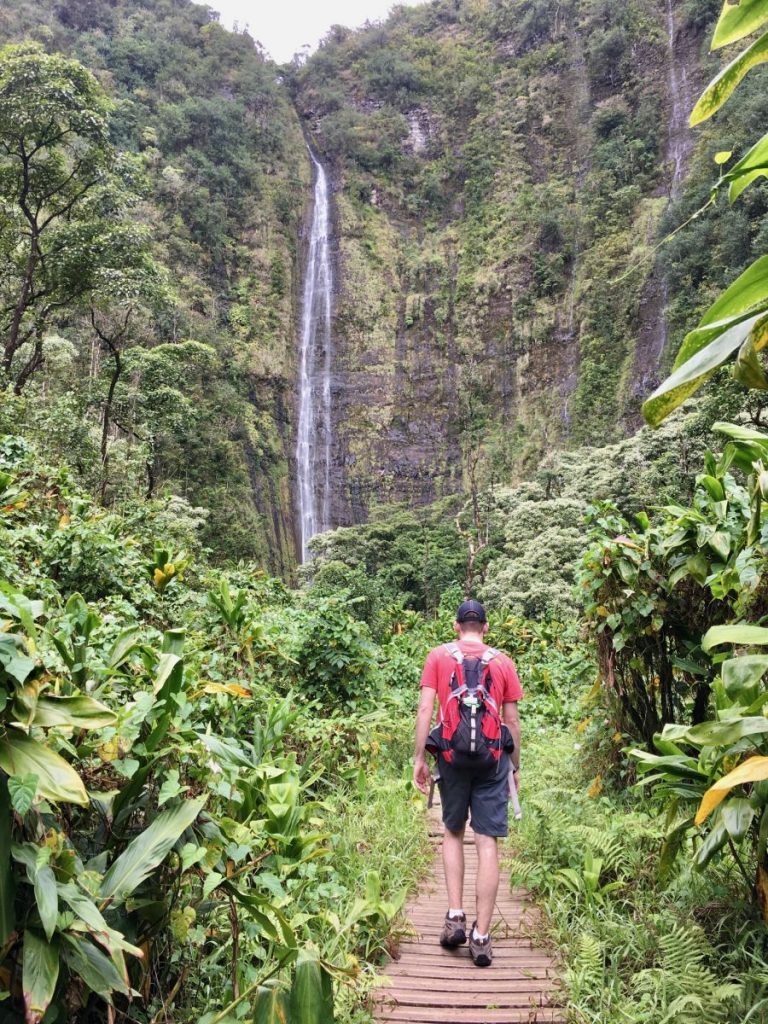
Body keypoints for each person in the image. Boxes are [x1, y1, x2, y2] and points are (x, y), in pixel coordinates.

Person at [413, 599, 522, 967]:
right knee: (487, 841)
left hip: (451, 757)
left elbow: (426, 708)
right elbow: (511, 721)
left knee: (453, 833)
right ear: (486, 628)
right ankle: (481, 937)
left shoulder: (438, 657)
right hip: (493, 759)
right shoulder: (503, 662)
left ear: (457, 626)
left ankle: (455, 915)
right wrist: (515, 766)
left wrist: (419, 757)